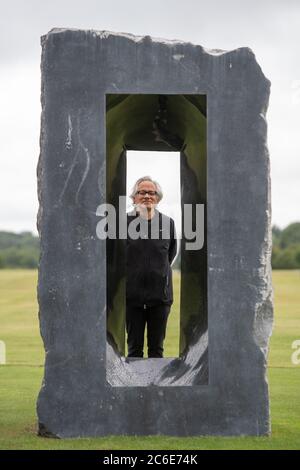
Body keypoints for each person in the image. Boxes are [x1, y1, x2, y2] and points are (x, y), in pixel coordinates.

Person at [126, 176, 177, 358]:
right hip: (132, 299)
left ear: (157, 198)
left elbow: (170, 255)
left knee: (157, 350)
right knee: (134, 351)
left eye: (151, 192)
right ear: (134, 198)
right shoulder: (122, 223)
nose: (147, 196)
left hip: (160, 299)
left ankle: (155, 388)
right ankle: (134, 388)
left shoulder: (168, 224)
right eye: (142, 192)